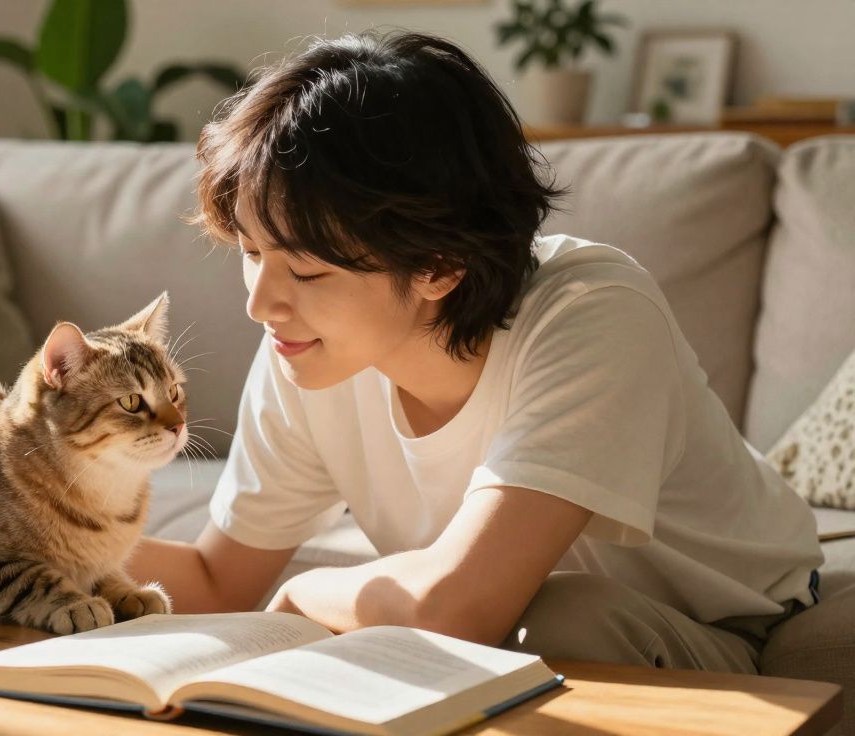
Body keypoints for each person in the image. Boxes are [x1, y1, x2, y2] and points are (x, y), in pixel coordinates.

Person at [127, 30, 822, 674]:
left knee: (558, 617)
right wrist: (59, 535)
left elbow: (454, 608)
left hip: (730, 623)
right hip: (519, 623)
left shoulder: (594, 313)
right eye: (252, 253)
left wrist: (308, 590)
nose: (260, 304)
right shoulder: (305, 347)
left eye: (306, 270)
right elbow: (218, 582)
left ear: (438, 264)